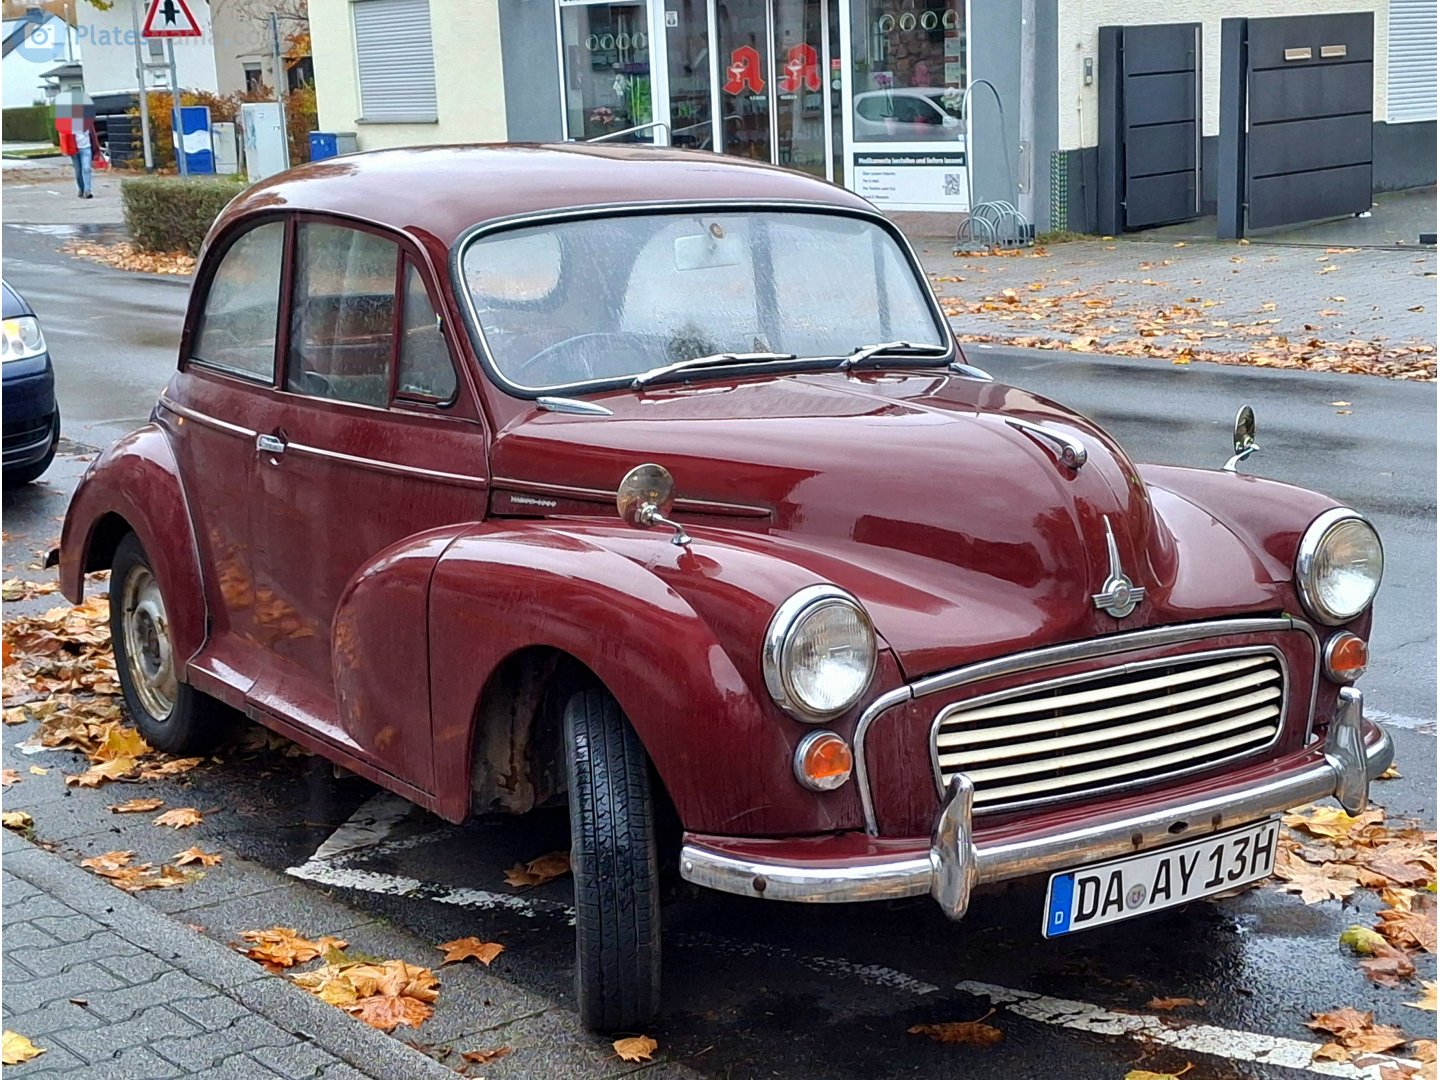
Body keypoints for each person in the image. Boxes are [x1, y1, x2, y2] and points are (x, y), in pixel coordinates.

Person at [70, 121, 94, 200]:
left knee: (86, 168)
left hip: (86, 147)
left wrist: (96, 148)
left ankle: (87, 190)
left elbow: (93, 135)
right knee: (78, 170)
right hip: (74, 149)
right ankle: (81, 188)